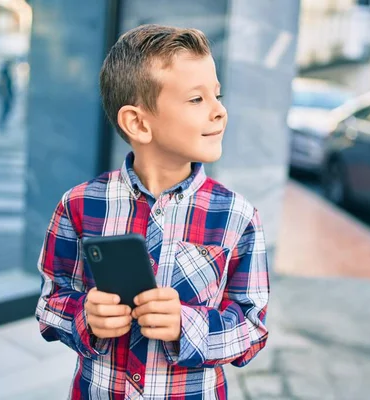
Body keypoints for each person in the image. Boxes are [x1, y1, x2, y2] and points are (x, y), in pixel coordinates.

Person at [35, 24, 270, 399]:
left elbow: (253, 328)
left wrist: (187, 325)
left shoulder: (237, 217)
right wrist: (85, 317)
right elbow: (50, 302)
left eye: (217, 95)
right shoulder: (78, 205)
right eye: (197, 100)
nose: (220, 111)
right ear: (139, 123)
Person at [0, 60, 14, 132]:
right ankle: (1, 124)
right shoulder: (5, 73)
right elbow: (3, 85)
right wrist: (6, 95)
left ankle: (2, 123)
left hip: (7, 95)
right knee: (5, 109)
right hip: (6, 96)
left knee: (6, 110)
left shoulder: (5, 73)